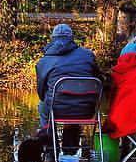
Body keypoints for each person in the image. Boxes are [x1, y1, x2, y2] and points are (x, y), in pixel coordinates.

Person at [35, 23, 100, 155]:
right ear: (72, 38)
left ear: (52, 38)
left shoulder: (44, 61)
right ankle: (70, 151)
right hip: (86, 110)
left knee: (43, 106)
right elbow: (97, 79)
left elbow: (41, 92)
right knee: (76, 100)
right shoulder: (88, 56)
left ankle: (50, 152)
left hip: (57, 110)